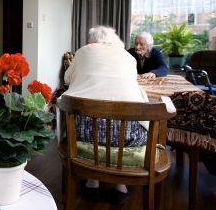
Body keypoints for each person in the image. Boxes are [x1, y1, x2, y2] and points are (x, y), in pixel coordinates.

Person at [59, 26, 150, 205]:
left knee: (87, 120)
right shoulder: (129, 57)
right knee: (122, 122)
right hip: (128, 136)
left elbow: (67, 80)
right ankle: (120, 184)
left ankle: (92, 181)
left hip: (83, 132)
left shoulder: (83, 52)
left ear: (93, 41)